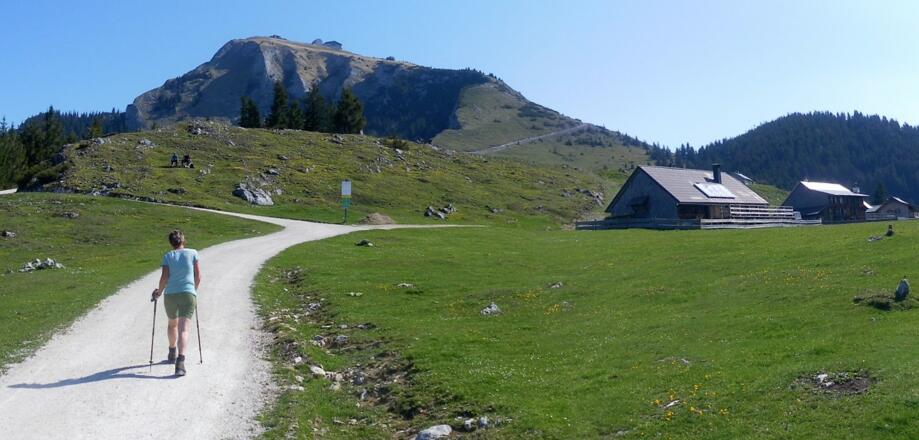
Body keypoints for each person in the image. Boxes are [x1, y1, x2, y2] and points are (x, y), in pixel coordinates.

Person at [151, 230, 201, 376]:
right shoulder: (193, 253)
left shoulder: (168, 256)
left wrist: (158, 293)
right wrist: (194, 290)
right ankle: (180, 363)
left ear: (171, 242)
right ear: (183, 240)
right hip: (188, 294)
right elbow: (198, 276)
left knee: (172, 324)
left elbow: (164, 279)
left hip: (170, 295)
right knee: (183, 329)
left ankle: (172, 352)